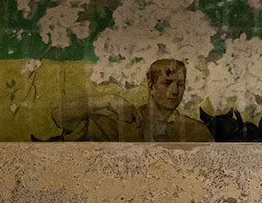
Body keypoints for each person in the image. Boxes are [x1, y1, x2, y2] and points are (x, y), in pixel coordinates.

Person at [52, 58, 213, 142]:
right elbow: (60, 116)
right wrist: (108, 100)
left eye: (180, 84)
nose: (175, 91)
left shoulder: (196, 130)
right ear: (151, 85)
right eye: (167, 83)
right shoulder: (120, 124)